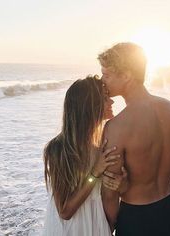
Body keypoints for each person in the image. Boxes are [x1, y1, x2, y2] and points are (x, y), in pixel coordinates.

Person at [98, 42, 170, 235]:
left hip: (136, 217)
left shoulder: (117, 127)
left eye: (106, 75)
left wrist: (108, 227)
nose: (102, 81)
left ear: (127, 75)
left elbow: (110, 193)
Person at [43, 75, 127, 236]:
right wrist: (95, 173)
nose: (112, 102)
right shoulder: (59, 149)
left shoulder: (101, 148)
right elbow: (65, 211)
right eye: (105, 99)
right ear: (89, 106)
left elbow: (109, 195)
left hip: (96, 224)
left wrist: (122, 184)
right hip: (69, 230)